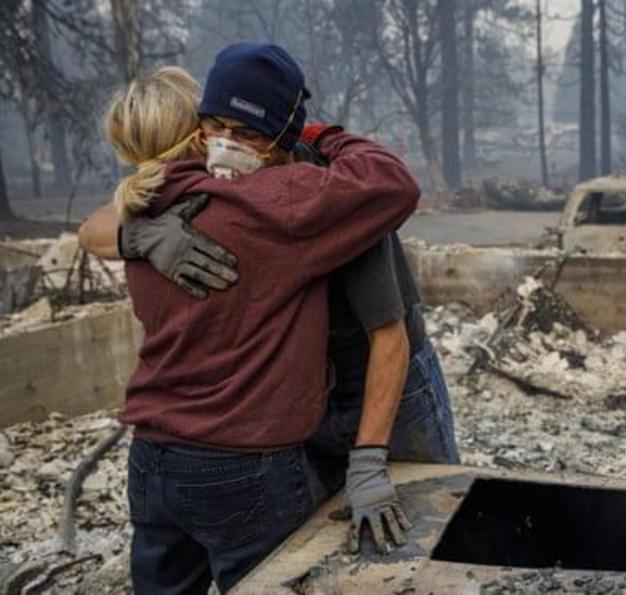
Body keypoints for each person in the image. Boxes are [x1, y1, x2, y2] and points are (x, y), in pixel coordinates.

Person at [86, 46, 419, 593]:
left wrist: (133, 238)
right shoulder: (280, 201)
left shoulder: (137, 209)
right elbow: (392, 180)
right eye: (215, 126)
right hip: (243, 463)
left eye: (247, 132)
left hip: (151, 459)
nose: (227, 144)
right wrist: (313, 133)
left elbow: (92, 230)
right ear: (194, 132)